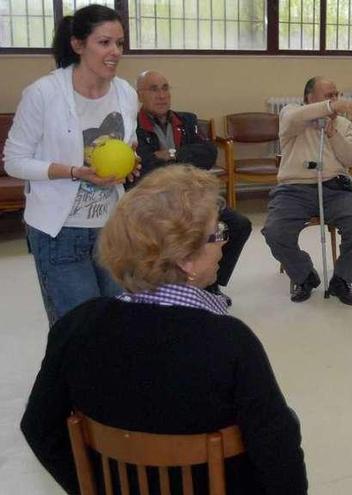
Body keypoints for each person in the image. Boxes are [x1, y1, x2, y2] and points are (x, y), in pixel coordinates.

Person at [20, 166, 308, 495]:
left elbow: (38, 427)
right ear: (186, 258)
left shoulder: (76, 325)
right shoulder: (230, 342)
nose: (223, 245)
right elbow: (280, 462)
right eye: (218, 234)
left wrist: (94, 486)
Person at [3, 4, 139, 325]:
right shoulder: (43, 93)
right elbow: (14, 161)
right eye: (104, 42)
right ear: (78, 45)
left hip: (111, 229)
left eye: (119, 44)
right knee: (77, 331)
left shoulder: (126, 93)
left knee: (117, 323)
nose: (115, 52)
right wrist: (74, 171)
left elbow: (125, 147)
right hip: (59, 233)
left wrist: (129, 162)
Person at [134, 69, 252, 306]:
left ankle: (210, 284)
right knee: (177, 237)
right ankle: (171, 288)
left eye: (165, 88)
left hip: (193, 199)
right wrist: (180, 158)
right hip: (156, 203)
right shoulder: (132, 126)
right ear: (139, 95)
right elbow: (145, 166)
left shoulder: (186, 120)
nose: (161, 95)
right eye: (153, 89)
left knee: (239, 225)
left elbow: (207, 154)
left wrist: (171, 154)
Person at [262, 76, 352, 305]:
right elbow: (294, 117)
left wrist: (333, 134)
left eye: (336, 95)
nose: (335, 100)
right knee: (274, 231)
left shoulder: (343, 124)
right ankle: (304, 275)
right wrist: (331, 107)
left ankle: (342, 279)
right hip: (294, 190)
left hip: (335, 189)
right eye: (328, 96)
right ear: (309, 98)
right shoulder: (292, 114)